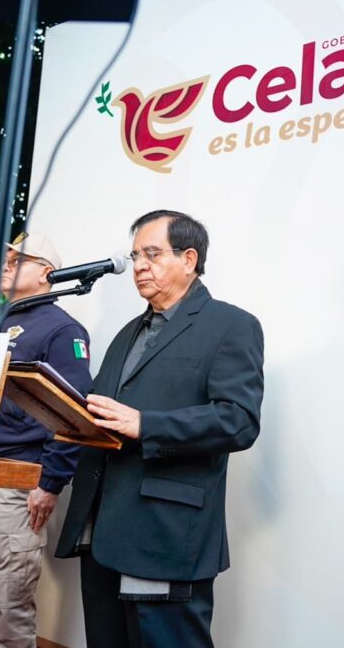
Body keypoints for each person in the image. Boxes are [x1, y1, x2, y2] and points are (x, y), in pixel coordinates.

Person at [55, 210, 265, 648]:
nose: (139, 266)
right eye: (135, 256)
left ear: (189, 259)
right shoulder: (127, 333)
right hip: (100, 530)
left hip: (164, 534)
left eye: (152, 254)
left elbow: (238, 420)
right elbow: (105, 412)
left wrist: (145, 424)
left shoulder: (231, 325)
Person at [0, 232, 92, 648]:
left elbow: (71, 412)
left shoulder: (62, 330)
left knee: (11, 603)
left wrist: (50, 483)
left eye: (17, 260)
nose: (6, 266)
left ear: (46, 272)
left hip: (18, 483)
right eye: (5, 260)